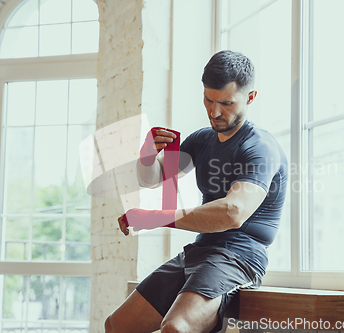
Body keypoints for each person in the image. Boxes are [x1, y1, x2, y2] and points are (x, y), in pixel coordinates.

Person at [105, 50, 288, 333]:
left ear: (250, 98)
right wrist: (147, 155)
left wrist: (155, 217)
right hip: (200, 251)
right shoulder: (202, 140)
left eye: (226, 103)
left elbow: (233, 213)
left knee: (175, 329)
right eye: (208, 100)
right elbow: (153, 178)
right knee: (118, 325)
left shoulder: (260, 147)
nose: (214, 112)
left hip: (239, 257)